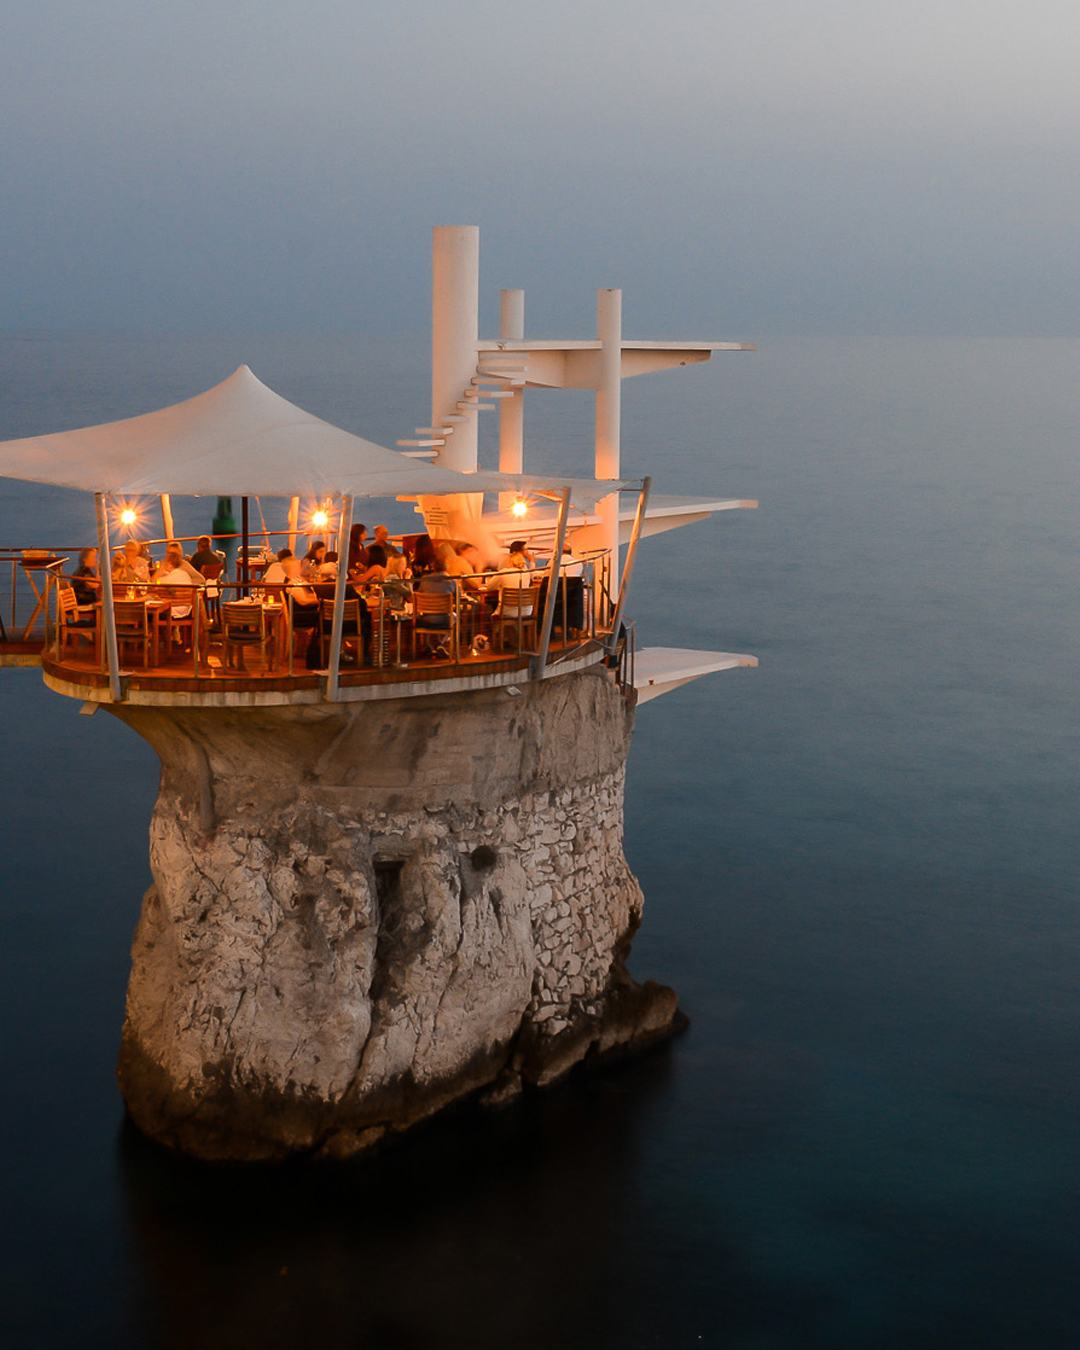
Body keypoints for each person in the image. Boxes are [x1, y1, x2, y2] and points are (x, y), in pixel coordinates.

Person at [153, 541, 206, 618]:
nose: (169, 555)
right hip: (182, 607)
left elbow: (201, 579)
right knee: (198, 600)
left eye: (172, 553)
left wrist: (187, 585)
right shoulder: (163, 563)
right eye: (168, 552)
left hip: (170, 605)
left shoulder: (184, 565)